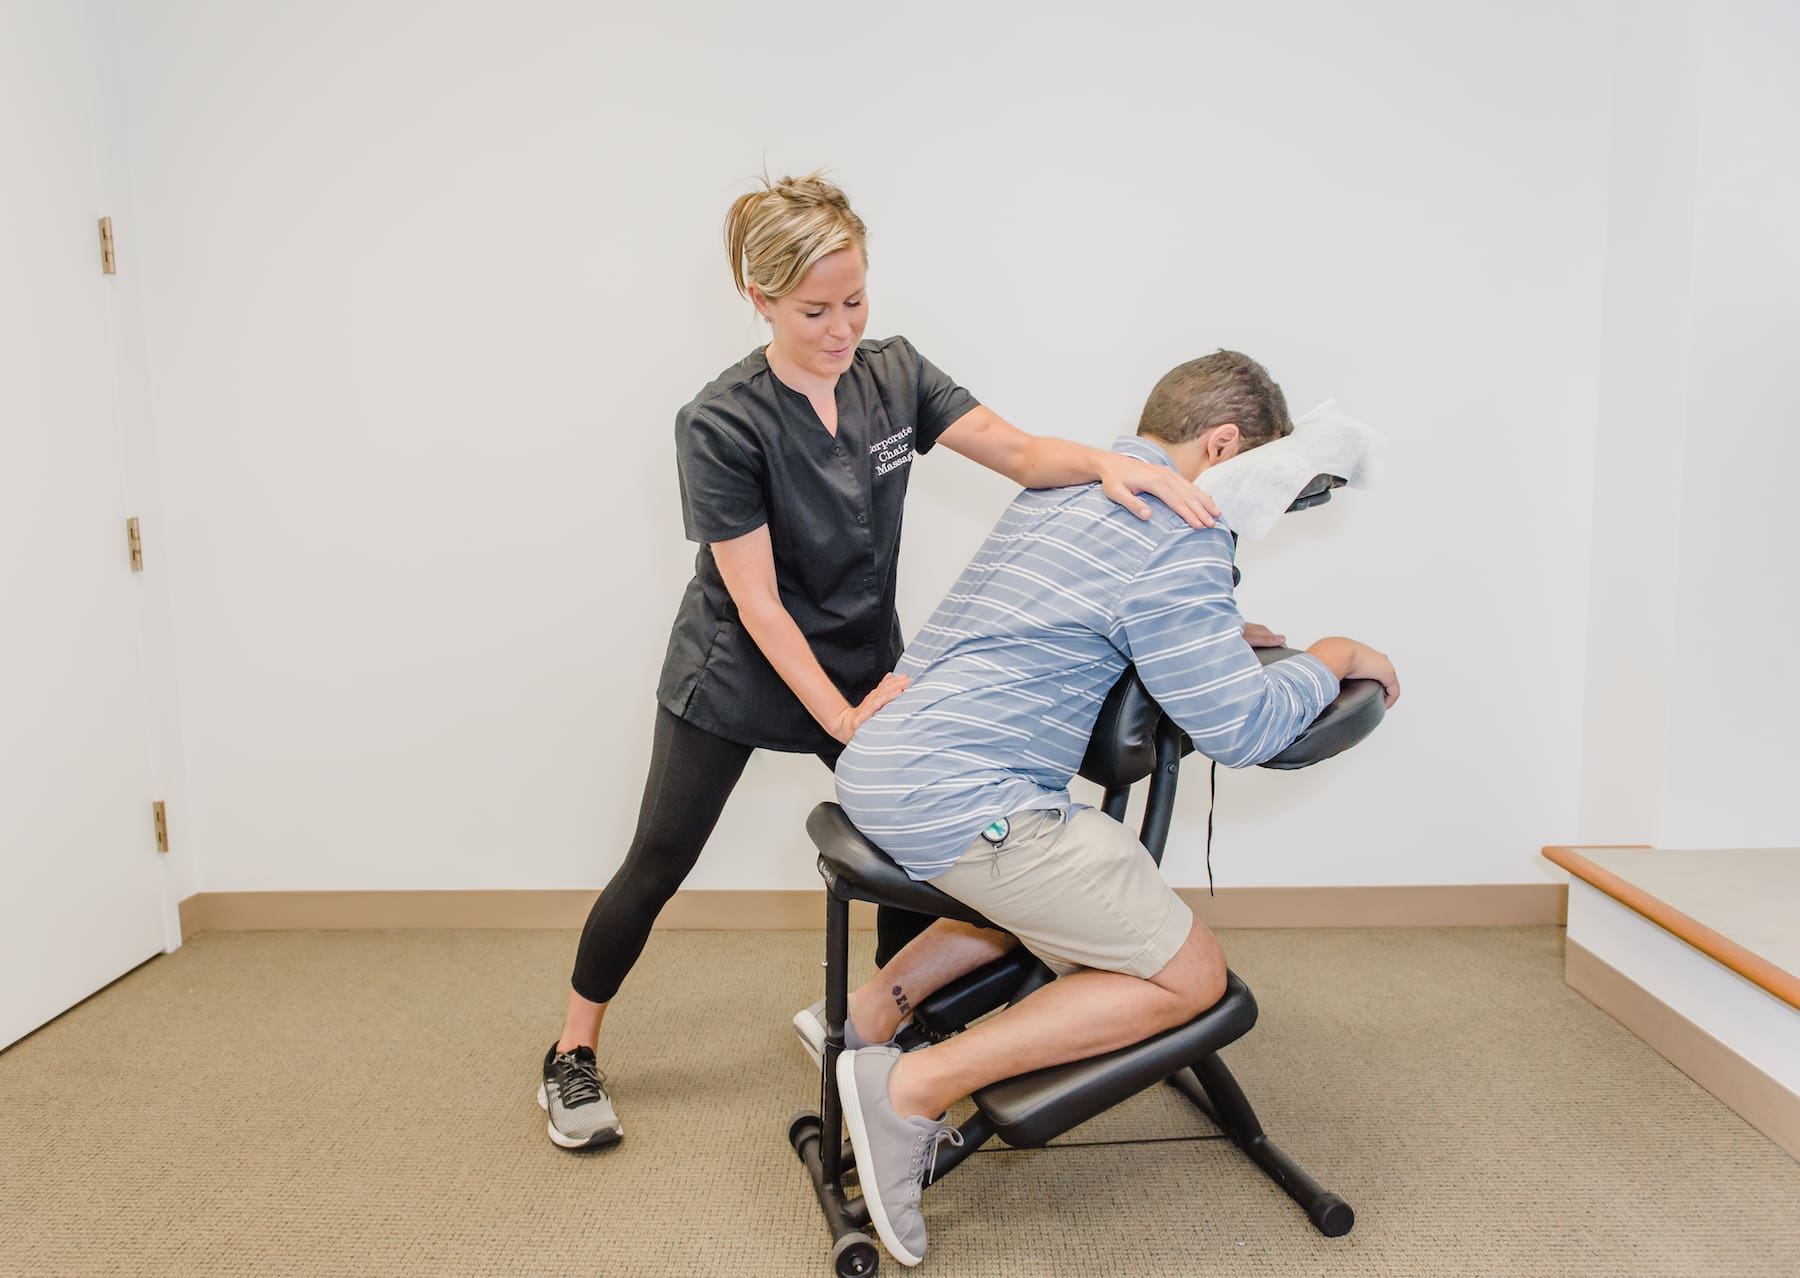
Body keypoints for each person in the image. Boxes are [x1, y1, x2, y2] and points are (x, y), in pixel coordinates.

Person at [537, 172, 1223, 1150]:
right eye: (815, 309)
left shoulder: (893, 374)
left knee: (921, 852)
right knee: (658, 860)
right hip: (737, 670)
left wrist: (1114, 463)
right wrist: (843, 720)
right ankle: (572, 1053)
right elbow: (760, 603)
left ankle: (880, 1036)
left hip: (869, 661)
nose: (841, 327)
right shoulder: (720, 422)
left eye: (855, 300)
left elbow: (1023, 454)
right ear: (759, 300)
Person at [823, 350, 1400, 1266]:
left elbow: (1025, 613)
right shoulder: (1178, 526)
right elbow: (1244, 729)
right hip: (967, 796)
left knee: (1064, 898)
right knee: (1187, 976)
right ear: (1223, 446)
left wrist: (1212, 635)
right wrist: (1328, 657)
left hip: (887, 763)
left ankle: (866, 1017)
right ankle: (910, 1091)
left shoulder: (1073, 482)